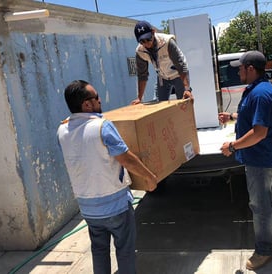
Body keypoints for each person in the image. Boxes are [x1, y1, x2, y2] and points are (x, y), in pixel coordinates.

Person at [57, 80, 158, 274]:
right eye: (96, 97)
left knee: (99, 250)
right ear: (87, 104)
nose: (100, 100)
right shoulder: (102, 126)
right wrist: (150, 177)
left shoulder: (62, 130)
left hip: (88, 208)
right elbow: (127, 159)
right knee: (125, 250)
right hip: (116, 205)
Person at [219, 51, 272, 270]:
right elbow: (254, 118)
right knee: (265, 197)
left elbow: (259, 133)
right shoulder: (259, 89)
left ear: (250, 68)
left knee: (259, 206)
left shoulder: (260, 94)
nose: (238, 71)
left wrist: (232, 146)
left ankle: (263, 251)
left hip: (261, 159)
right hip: (264, 157)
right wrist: (232, 117)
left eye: (240, 68)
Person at [132, 20, 193, 104]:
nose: (146, 43)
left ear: (153, 32)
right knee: (159, 104)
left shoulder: (167, 42)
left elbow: (181, 66)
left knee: (184, 101)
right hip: (162, 77)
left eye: (148, 39)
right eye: (142, 41)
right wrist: (139, 97)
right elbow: (142, 75)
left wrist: (187, 89)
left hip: (178, 75)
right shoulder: (140, 51)